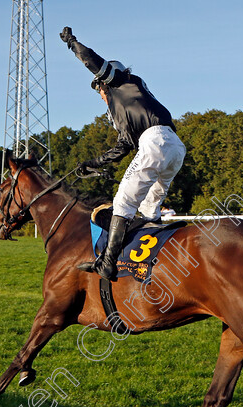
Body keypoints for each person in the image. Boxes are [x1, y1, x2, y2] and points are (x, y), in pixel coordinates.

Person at [61, 27, 186, 281]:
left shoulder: (118, 81)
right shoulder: (132, 102)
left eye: (99, 90)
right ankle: (155, 262)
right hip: (174, 146)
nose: (101, 96)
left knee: (123, 203)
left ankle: (107, 262)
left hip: (155, 142)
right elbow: (123, 148)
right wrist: (92, 163)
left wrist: (72, 43)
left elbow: (91, 60)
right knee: (151, 208)